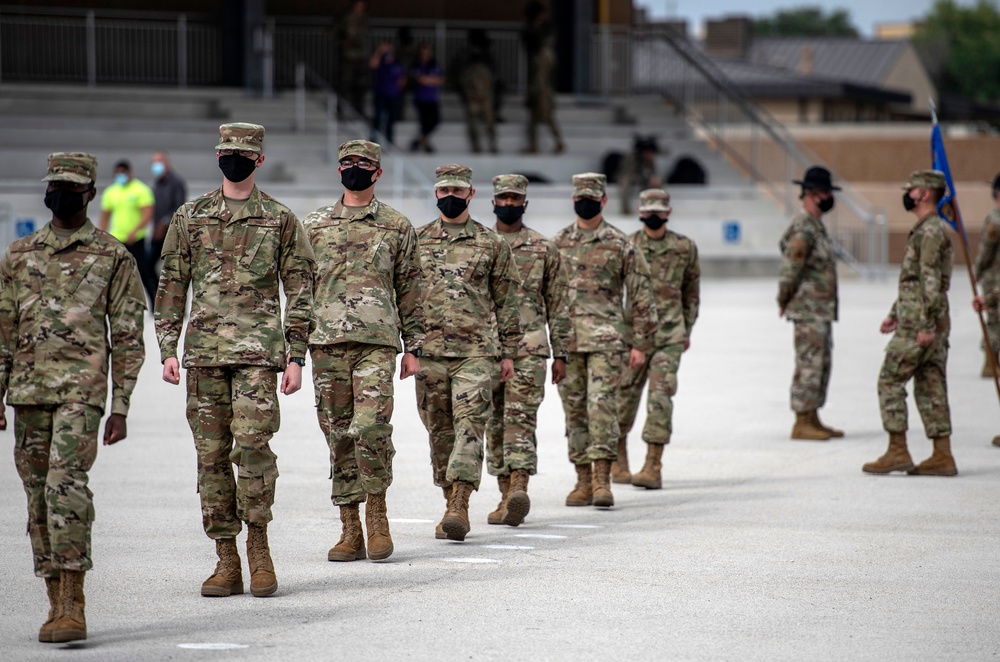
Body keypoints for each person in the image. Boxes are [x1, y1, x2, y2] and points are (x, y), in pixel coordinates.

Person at [154, 123, 315, 597]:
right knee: (210, 458)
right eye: (227, 151)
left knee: (254, 450)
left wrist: (297, 355)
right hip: (204, 356)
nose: (234, 159)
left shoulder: (280, 219)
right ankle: (226, 558)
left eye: (243, 153)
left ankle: (259, 549)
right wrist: (167, 348)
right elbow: (171, 284)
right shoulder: (191, 216)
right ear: (217, 155)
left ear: (259, 160)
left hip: (258, 357)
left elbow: (300, 289)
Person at [0, 152, 146, 643]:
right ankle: (52, 600)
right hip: (28, 392)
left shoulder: (113, 257)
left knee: (66, 487)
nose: (59, 194)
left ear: (90, 194)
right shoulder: (18, 255)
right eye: (54, 185)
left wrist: (121, 405)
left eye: (69, 187)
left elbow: (128, 336)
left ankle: (73, 602)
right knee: (37, 497)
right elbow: (3, 331)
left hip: (82, 394)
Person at [303, 140, 424, 562]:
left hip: (377, 342)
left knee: (370, 428)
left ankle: (377, 514)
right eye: (348, 162)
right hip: (326, 343)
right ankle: (349, 527)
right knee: (337, 435)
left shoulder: (396, 226)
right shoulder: (314, 225)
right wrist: (294, 348)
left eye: (364, 163)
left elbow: (411, 289)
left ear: (378, 172)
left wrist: (414, 346)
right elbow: (300, 289)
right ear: (339, 170)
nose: (355, 168)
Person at [415, 164, 522, 541]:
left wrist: (509, 352)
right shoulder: (416, 240)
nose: (450, 197)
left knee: (470, 424)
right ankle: (449, 502)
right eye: (444, 190)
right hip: (428, 352)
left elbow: (508, 301)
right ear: (436, 193)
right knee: (439, 432)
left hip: (477, 353)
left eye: (458, 191)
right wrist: (407, 346)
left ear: (471, 194)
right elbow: (403, 294)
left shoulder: (492, 243)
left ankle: (460, 503)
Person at [553, 173, 655, 509]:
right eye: (580, 198)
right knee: (574, 412)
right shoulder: (558, 243)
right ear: (573, 200)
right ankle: (582, 479)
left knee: (602, 408)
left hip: (607, 343)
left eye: (592, 198)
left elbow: (641, 295)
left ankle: (602, 480)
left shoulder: (621, 243)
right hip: (568, 343)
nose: (585, 203)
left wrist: (640, 343)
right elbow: (545, 295)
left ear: (604, 201)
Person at [485, 174, 571, 527]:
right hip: (485, 349)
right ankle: (504, 492)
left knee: (520, 418)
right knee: (493, 421)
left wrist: (561, 353)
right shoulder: (482, 243)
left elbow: (559, 304)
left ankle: (518, 488)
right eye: (503, 198)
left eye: (515, 199)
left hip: (530, 348)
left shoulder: (543, 248)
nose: (509, 204)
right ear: (493, 201)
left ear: (525, 203)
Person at [863, 170, 956, 477]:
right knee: (931, 385)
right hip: (928, 318)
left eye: (912, 190)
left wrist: (925, 325)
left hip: (919, 324)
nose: (908, 194)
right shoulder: (930, 229)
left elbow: (929, 280)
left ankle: (897, 451)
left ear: (924, 194)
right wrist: (895, 312)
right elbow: (913, 281)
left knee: (889, 380)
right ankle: (942, 455)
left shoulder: (929, 232)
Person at [615, 188, 700, 489]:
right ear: (640, 212)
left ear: (668, 212)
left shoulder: (684, 247)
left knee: (661, 397)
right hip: (631, 337)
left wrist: (686, 329)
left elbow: (691, 291)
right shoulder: (627, 245)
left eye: (659, 211)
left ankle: (653, 464)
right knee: (623, 397)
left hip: (669, 336)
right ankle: (618, 457)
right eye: (648, 211)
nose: (653, 215)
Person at [777, 166, 844, 441]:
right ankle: (801, 421)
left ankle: (813, 416)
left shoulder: (816, 227)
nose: (829, 198)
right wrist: (783, 298)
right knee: (809, 363)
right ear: (814, 194)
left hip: (820, 310)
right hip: (808, 310)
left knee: (821, 363)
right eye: (826, 193)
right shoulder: (803, 228)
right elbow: (790, 269)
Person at [98, 159, 155, 303]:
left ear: (129, 172)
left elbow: (147, 213)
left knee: (143, 272)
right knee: (115, 273)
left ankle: (155, 303)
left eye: (122, 173)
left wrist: (135, 231)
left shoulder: (140, 190)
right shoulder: (111, 192)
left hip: (136, 239)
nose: (120, 176)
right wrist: (101, 235)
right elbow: (105, 216)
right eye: (117, 173)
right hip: (117, 239)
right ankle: (116, 303)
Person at [522, 1, 564, 155]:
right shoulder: (531, 32)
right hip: (537, 83)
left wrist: (537, 88)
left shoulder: (546, 42)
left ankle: (557, 142)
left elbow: (544, 72)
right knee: (534, 114)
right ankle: (534, 144)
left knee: (546, 114)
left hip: (542, 86)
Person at [973, 173, 1000, 380]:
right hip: (994, 278)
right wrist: (978, 271)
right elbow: (986, 251)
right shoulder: (995, 220)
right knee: (994, 320)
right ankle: (990, 362)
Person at [150, 150, 187, 294]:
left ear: (166, 163)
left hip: (171, 234)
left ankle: (173, 299)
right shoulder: (157, 183)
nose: (156, 165)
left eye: (159, 161)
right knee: (148, 266)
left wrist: (164, 223)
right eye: (154, 162)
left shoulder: (176, 183)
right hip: (157, 233)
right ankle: (157, 296)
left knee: (173, 271)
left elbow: (178, 207)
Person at [459, 30, 498, 154]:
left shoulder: (487, 71)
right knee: (473, 124)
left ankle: (493, 145)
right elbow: (465, 86)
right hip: (474, 100)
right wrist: (473, 96)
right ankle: (476, 146)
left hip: (486, 99)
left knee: (491, 124)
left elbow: (491, 86)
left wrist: (486, 97)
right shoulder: (468, 72)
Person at [334, 0, 369, 117]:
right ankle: (340, 108)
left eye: (362, 6)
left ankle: (358, 109)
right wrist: (343, 39)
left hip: (360, 55)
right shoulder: (346, 18)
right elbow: (336, 31)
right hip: (348, 55)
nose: (360, 8)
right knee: (344, 83)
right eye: (358, 5)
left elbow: (363, 36)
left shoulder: (363, 18)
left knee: (360, 84)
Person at [369, 41, 406, 146]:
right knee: (378, 116)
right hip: (380, 94)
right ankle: (374, 136)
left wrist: (397, 89)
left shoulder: (397, 63)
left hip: (393, 95)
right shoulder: (381, 61)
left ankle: (389, 138)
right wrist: (379, 51)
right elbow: (372, 64)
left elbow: (402, 79)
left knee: (392, 117)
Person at [409, 43, 443, 154]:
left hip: (432, 98)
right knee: (424, 122)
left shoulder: (434, 64)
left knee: (436, 120)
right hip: (421, 98)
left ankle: (419, 141)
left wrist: (428, 80)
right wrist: (432, 80)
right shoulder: (416, 64)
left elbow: (440, 79)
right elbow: (420, 79)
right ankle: (424, 143)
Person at [618, 136, 662, 214]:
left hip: (642, 178)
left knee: (658, 181)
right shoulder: (631, 158)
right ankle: (625, 209)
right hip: (629, 177)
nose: (650, 155)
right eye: (648, 153)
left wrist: (653, 178)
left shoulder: (650, 160)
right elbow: (626, 172)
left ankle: (657, 207)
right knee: (625, 182)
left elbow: (653, 173)